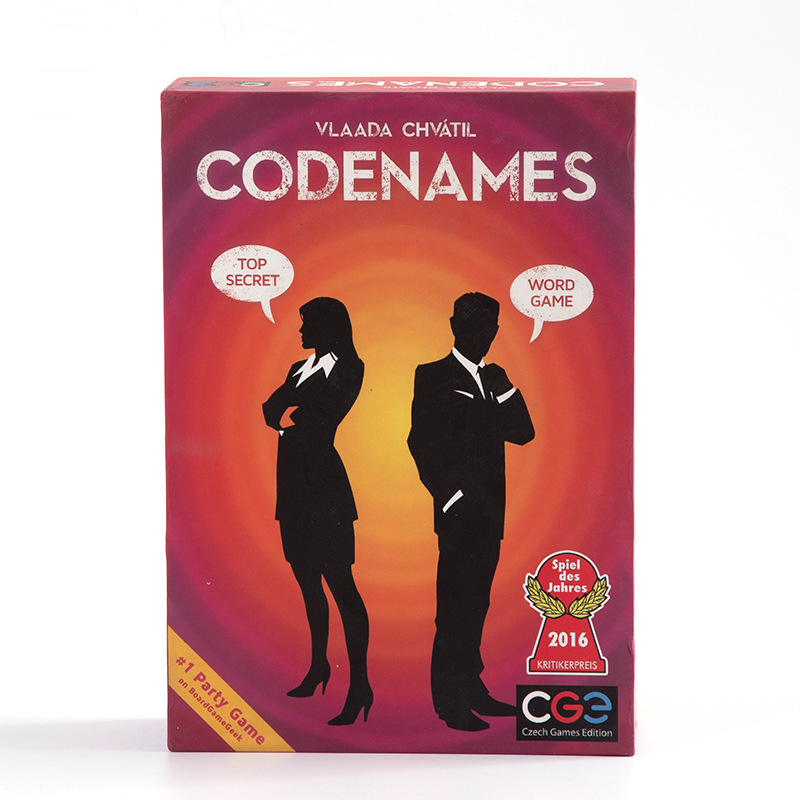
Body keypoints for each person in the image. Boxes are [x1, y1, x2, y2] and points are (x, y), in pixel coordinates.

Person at [407, 292, 535, 732]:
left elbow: (523, 432)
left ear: (495, 330)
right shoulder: (432, 375)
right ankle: (449, 703)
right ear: (454, 326)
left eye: (489, 327)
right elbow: (419, 440)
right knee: (454, 608)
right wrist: (447, 495)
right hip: (458, 513)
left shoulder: (495, 378)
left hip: (490, 513)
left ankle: (472, 687)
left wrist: (506, 387)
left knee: (477, 604)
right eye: (473, 325)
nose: (482, 334)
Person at [262, 297, 372, 726]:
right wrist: (292, 412)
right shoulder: (299, 368)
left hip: (325, 491)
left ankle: (360, 685)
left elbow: (317, 418)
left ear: (329, 327)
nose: (301, 331)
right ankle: (319, 666)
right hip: (292, 489)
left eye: (307, 323)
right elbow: (270, 411)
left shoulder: (350, 368)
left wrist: (291, 410)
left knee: (341, 585)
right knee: (308, 584)